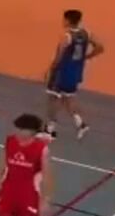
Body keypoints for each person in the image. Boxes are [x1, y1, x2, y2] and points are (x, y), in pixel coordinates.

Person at [44, 9, 104, 141]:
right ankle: (80, 124)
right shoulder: (87, 33)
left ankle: (50, 130)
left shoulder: (67, 36)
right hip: (75, 72)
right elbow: (100, 47)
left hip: (61, 72)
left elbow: (59, 57)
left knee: (53, 99)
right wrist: (87, 57)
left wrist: (49, 69)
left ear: (67, 20)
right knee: (68, 99)